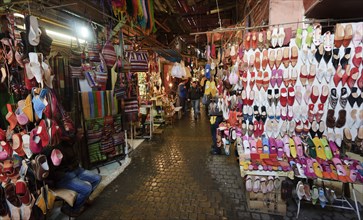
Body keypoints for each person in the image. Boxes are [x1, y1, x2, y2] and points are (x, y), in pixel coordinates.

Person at [45, 133, 101, 217]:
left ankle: (82, 199)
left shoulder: (73, 143)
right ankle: (71, 209)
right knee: (87, 189)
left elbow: (75, 160)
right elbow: (53, 171)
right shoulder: (55, 147)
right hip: (64, 176)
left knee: (97, 178)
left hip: (76, 170)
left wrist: (74, 166)